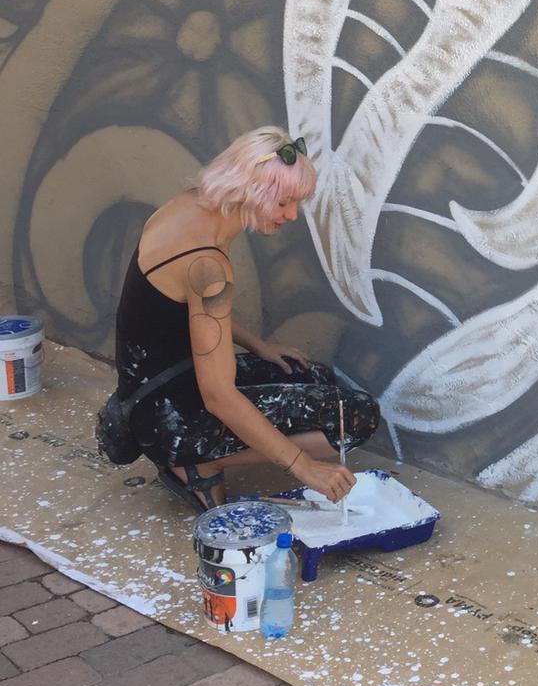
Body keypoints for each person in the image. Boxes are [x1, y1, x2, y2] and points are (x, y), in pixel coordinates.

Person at [110, 126, 378, 508]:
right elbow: (219, 395)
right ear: (252, 190)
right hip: (168, 421)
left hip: (151, 390)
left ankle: (194, 454)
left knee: (309, 375)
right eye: (284, 202)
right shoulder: (208, 264)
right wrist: (305, 468)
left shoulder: (190, 207)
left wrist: (259, 346)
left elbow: (184, 310)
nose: (292, 215)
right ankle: (196, 463)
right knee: (357, 417)